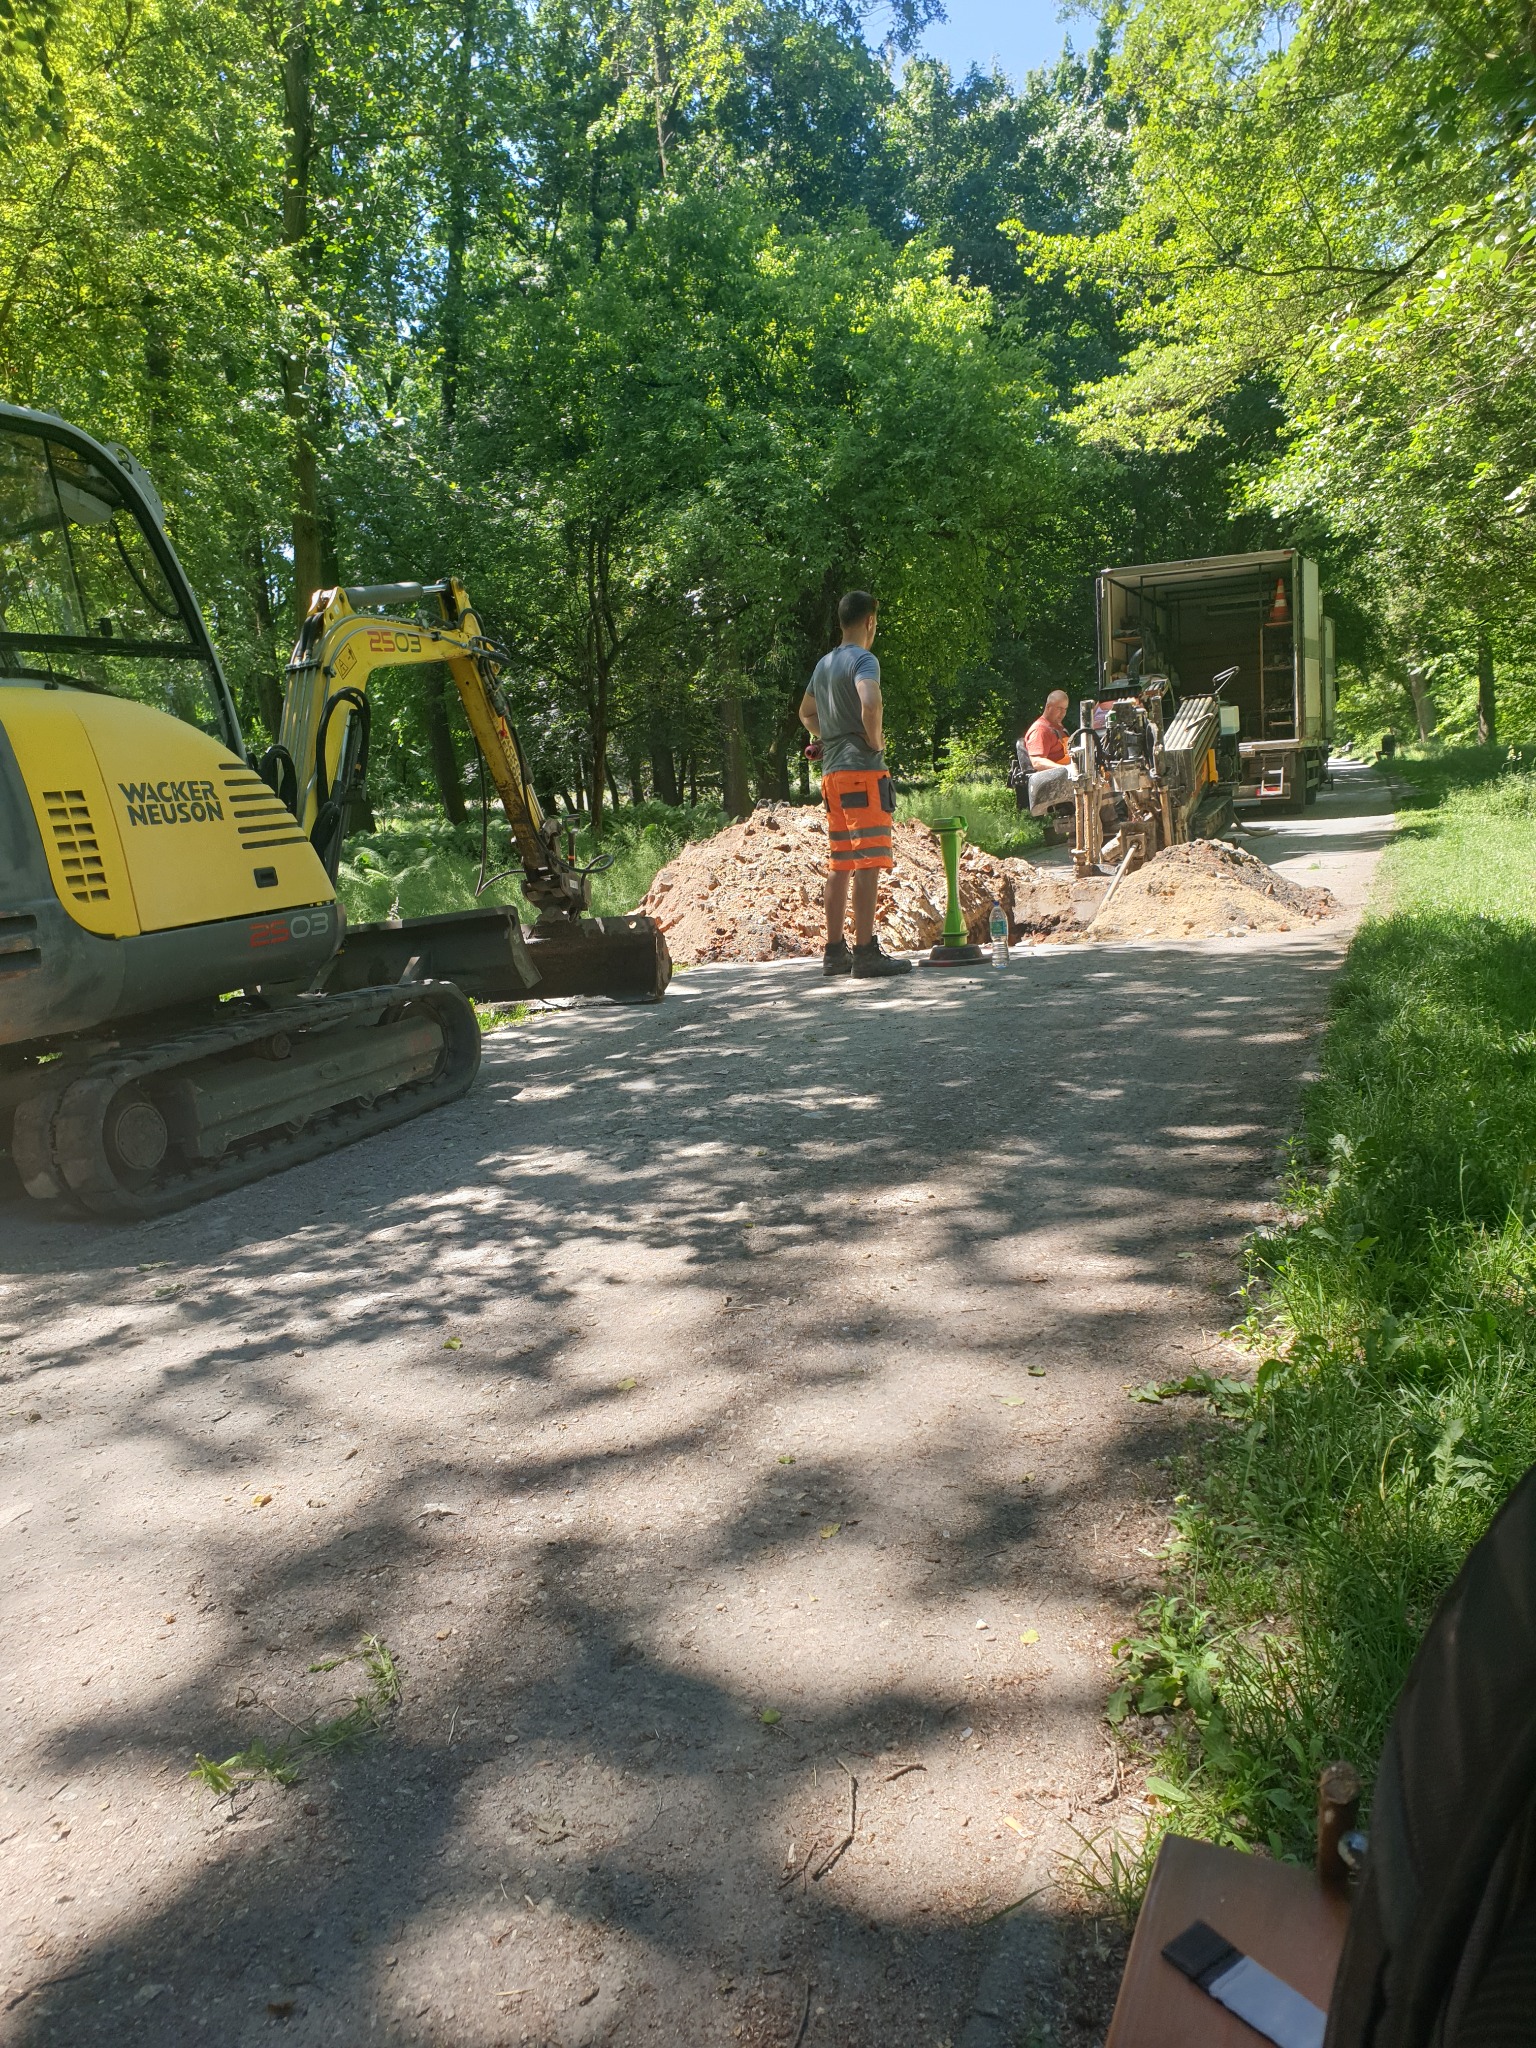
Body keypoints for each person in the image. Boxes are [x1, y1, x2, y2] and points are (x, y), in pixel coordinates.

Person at [799, 592, 913, 978]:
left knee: (841, 863)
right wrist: (874, 741)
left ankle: (834, 953)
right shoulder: (864, 659)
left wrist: (826, 737)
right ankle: (865, 952)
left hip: (832, 774)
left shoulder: (824, 663)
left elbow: (806, 712)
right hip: (863, 772)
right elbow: (871, 702)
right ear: (869, 622)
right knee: (868, 863)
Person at [1018, 689, 1074, 815]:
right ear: (1048, 707)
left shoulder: (1058, 728)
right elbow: (1037, 761)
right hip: (1058, 781)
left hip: (1069, 776)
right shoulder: (1040, 730)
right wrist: (1066, 770)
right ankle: (1110, 821)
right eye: (1059, 708)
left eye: (1065, 709)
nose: (1063, 713)